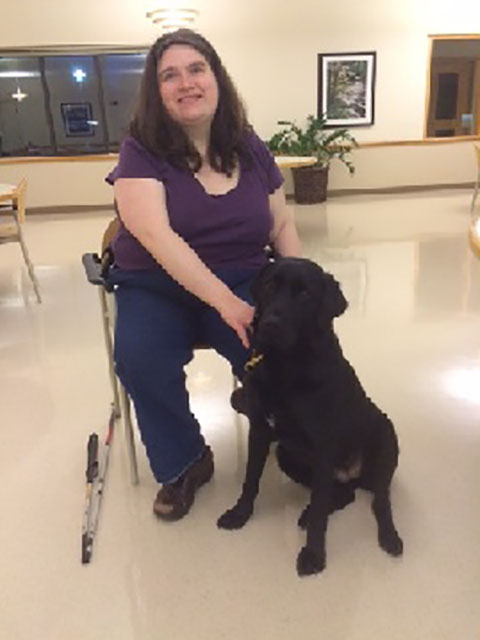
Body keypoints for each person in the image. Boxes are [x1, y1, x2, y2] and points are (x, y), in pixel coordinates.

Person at [105, 28, 301, 521]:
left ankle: (283, 424)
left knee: (278, 343)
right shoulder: (141, 149)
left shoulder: (248, 145)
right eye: (170, 75)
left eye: (196, 69)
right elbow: (158, 238)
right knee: (141, 356)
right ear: (157, 91)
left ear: (216, 78)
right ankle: (185, 461)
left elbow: (282, 222)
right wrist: (225, 303)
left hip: (241, 273)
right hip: (156, 283)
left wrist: (297, 290)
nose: (185, 83)